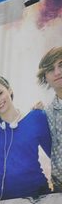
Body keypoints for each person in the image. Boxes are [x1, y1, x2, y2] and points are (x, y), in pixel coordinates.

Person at [0, 75, 52, 200]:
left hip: (39, 196)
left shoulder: (36, 117)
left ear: (10, 90)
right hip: (7, 202)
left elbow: (54, 154)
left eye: (0, 93)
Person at [36, 46, 62, 191]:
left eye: (61, 65)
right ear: (45, 77)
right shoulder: (46, 113)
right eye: (51, 69)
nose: (57, 72)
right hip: (59, 188)